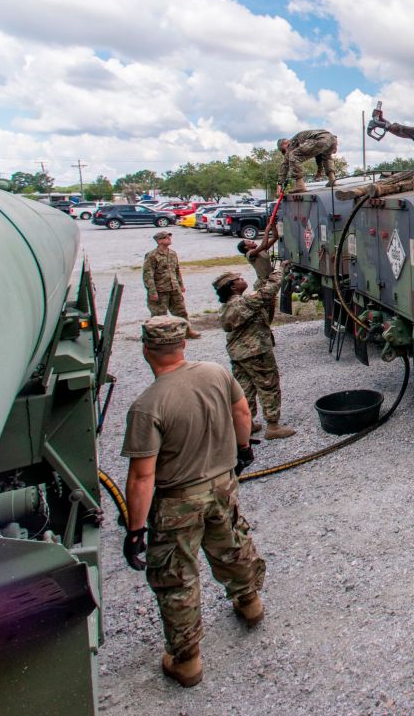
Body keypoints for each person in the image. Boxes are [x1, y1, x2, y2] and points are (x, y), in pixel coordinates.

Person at [120, 316, 265, 688]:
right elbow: (243, 412)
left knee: (177, 578)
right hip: (222, 486)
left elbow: (142, 477)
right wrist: (243, 448)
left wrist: (135, 530)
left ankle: (187, 662)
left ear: (146, 351)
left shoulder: (147, 406)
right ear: (183, 344)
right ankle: (249, 603)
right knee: (232, 545)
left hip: (177, 501)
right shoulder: (216, 373)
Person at [214, 265, 296, 440]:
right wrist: (281, 269)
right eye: (239, 279)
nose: (243, 280)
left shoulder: (227, 306)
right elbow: (269, 291)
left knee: (245, 389)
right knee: (268, 386)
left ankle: (246, 425)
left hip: (238, 354)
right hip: (256, 352)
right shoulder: (243, 302)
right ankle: (273, 426)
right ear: (232, 287)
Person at [334, 105, 414, 200]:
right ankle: (360, 191)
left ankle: (383, 189)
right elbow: (402, 133)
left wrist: (400, 126)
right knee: (402, 174)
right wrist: (384, 124)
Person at [143, 230, 200, 338]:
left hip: (174, 288)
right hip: (160, 289)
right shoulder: (152, 255)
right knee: (159, 315)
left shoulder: (172, 253)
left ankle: (187, 331)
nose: (169, 239)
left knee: (181, 311)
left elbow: (176, 270)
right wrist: (152, 291)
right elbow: (148, 274)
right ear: (159, 241)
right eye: (166, 237)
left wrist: (181, 285)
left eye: (169, 237)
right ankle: (157, 335)